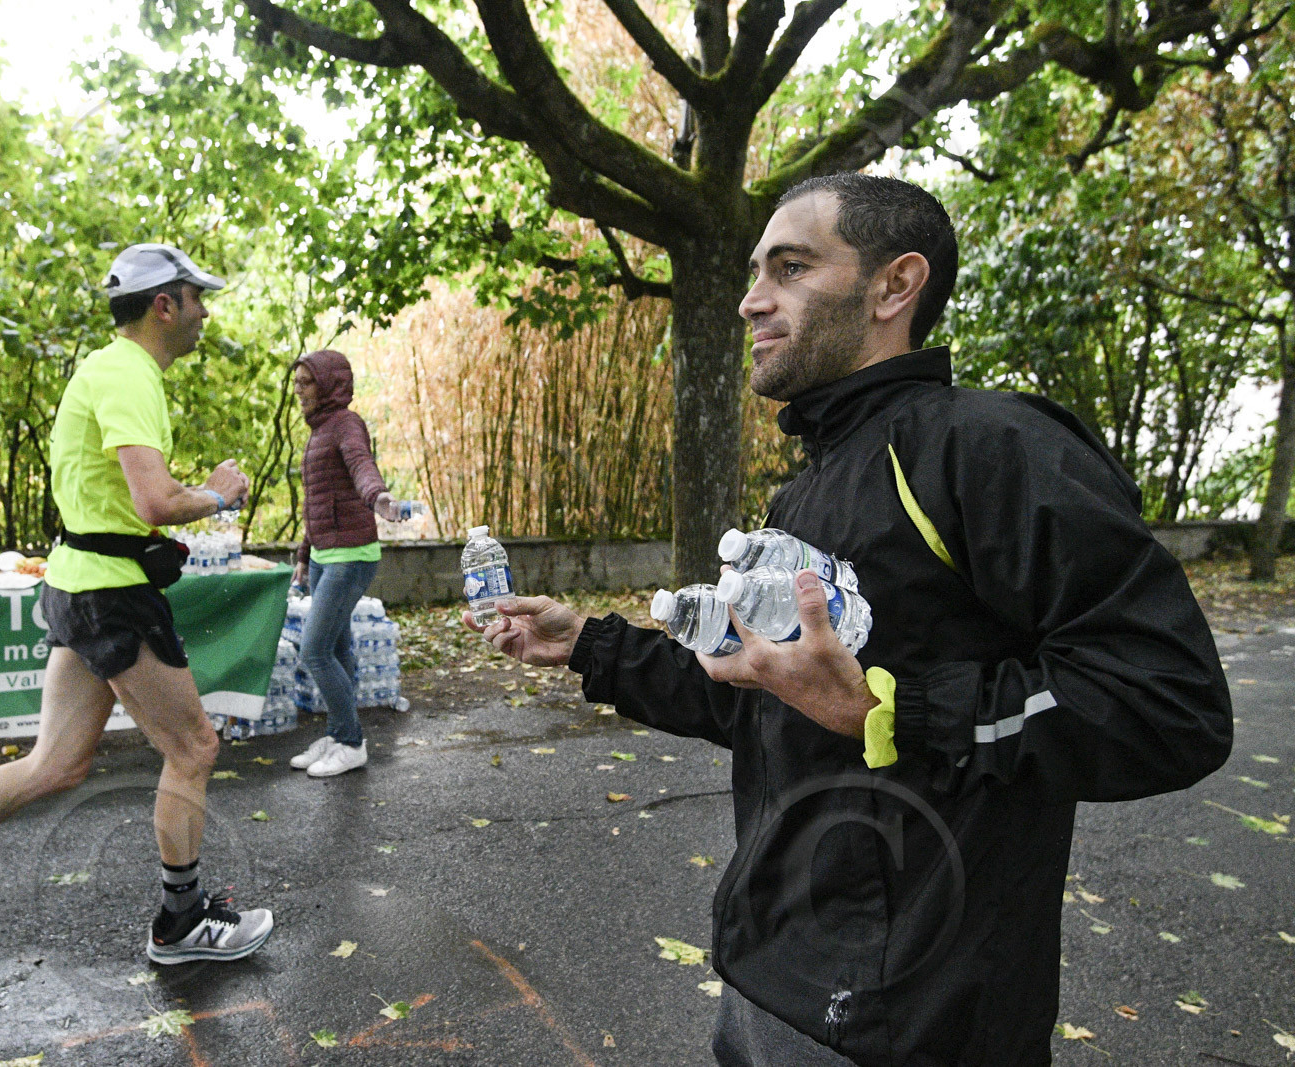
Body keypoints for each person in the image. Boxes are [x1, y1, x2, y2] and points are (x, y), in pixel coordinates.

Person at [467, 175, 1233, 1066]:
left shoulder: (990, 449)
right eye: (755, 271)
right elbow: (763, 695)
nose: (752, 299)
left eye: (790, 268)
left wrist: (889, 711)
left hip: (916, 1023)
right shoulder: (804, 493)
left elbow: (1170, 704)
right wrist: (587, 645)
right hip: (766, 978)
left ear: (894, 285)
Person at [0, 242, 274, 977]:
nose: (205, 313)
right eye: (198, 299)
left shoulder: (105, 369)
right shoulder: (129, 374)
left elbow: (121, 502)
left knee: (56, 763)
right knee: (193, 747)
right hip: (109, 593)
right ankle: (181, 921)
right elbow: (155, 500)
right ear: (164, 305)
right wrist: (218, 493)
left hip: (79, 583)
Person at [285, 349, 401, 778]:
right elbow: (318, 503)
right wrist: (304, 555)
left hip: (351, 556)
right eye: (296, 383)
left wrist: (378, 496)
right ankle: (337, 734)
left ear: (329, 384)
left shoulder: (346, 424)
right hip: (323, 556)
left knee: (314, 651)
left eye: (306, 382)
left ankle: (351, 742)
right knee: (335, 648)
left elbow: (360, 466)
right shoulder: (319, 430)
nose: (298, 391)